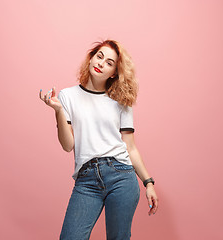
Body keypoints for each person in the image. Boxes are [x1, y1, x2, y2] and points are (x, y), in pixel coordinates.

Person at [39, 39, 158, 240]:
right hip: (86, 180)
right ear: (92, 57)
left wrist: (148, 182)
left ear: (114, 73)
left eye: (109, 63)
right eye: (99, 56)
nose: (101, 63)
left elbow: (131, 147)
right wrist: (58, 110)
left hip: (121, 175)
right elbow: (68, 145)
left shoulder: (121, 102)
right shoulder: (67, 96)